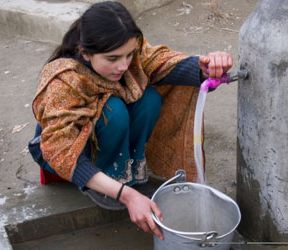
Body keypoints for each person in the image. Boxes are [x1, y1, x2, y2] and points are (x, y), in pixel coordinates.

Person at [28, 1, 233, 240]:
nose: (123, 66)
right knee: (113, 111)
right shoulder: (63, 81)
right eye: (112, 58)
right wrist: (127, 196)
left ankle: (130, 173)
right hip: (68, 150)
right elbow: (60, 149)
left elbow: (158, 62)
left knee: (149, 99)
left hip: (107, 132)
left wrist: (206, 68)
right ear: (85, 53)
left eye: (129, 55)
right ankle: (111, 182)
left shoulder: (128, 54)